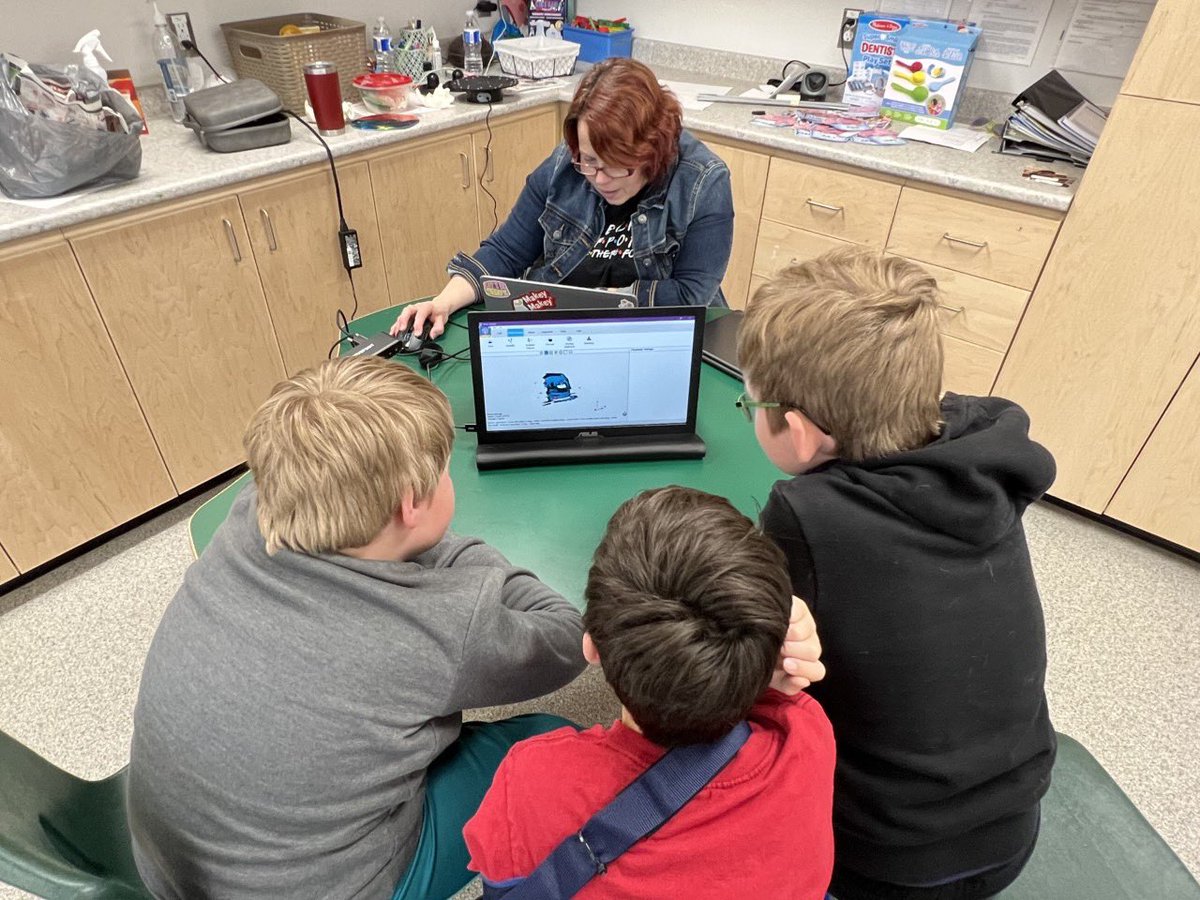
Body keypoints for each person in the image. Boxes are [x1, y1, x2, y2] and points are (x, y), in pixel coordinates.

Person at [126, 356, 587, 900]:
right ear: (410, 503)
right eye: (443, 471)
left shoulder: (254, 509)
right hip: (334, 887)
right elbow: (566, 637)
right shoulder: (441, 631)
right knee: (554, 745)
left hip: (173, 865)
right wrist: (469, 570)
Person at [736, 247, 1058, 900]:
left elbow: (753, 661)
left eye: (750, 406)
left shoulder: (806, 515)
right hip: (1013, 828)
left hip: (885, 863)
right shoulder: (985, 463)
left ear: (798, 433)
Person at [464, 486, 837, 898]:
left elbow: (499, 881)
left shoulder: (531, 780)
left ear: (591, 646)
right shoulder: (805, 736)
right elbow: (786, 695)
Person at [392, 57, 735, 340]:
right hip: (565, 332)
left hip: (658, 336)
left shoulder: (703, 181)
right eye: (589, 161)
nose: (599, 179)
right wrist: (442, 302)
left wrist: (603, 304)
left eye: (617, 167)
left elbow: (690, 295)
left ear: (652, 151)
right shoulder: (564, 167)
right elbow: (506, 252)